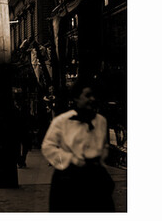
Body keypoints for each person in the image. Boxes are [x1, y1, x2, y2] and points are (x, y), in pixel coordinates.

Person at [41, 82, 115, 212]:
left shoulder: (101, 121)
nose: (92, 99)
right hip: (69, 178)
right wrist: (70, 159)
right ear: (76, 98)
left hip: (95, 178)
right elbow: (48, 147)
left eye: (94, 95)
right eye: (87, 95)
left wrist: (101, 158)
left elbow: (103, 145)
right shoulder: (62, 121)